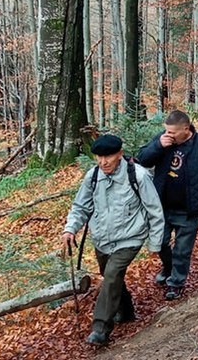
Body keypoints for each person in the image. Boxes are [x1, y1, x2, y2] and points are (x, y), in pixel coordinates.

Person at [62, 135, 165, 345]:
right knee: (110, 275)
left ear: (119, 154)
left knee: (111, 275)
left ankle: (100, 328)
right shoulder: (92, 176)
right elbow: (81, 206)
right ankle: (126, 311)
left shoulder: (138, 175)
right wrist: (70, 229)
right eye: (99, 157)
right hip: (102, 239)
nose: (103, 162)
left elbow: (155, 210)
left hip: (130, 237)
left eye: (108, 156)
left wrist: (155, 243)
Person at [136, 110, 198, 300]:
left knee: (182, 249)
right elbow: (142, 159)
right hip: (161, 206)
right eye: (166, 131)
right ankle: (169, 268)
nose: (168, 135)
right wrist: (158, 146)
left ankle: (176, 283)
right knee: (159, 242)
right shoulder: (162, 140)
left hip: (189, 208)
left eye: (173, 132)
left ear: (186, 129)